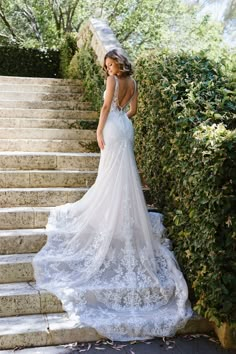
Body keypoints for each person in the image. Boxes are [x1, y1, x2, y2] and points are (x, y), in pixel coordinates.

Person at [33, 49, 192, 341]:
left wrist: (98, 131)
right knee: (124, 175)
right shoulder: (133, 82)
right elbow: (133, 111)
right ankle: (122, 216)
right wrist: (121, 117)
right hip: (126, 128)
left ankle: (108, 216)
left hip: (112, 127)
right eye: (106, 65)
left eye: (110, 63)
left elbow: (106, 108)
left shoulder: (113, 82)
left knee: (109, 175)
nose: (107, 68)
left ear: (119, 61)